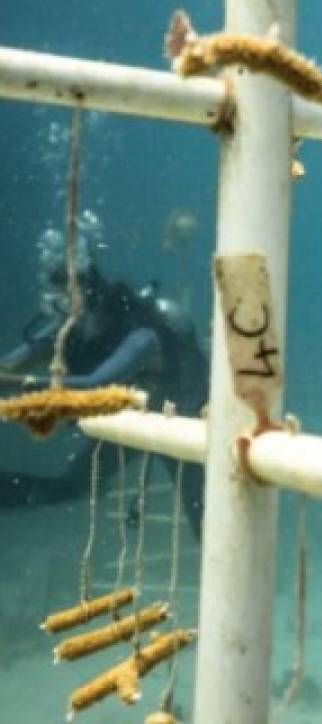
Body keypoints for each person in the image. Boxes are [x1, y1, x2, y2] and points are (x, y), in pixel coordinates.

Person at [0, 212, 207, 537]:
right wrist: (11, 378)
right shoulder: (72, 326)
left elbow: (96, 384)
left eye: (67, 300)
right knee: (74, 485)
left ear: (90, 297)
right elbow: (9, 366)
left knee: (205, 516)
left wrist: (20, 386)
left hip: (187, 421)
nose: (61, 313)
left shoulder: (141, 332)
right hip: (141, 423)